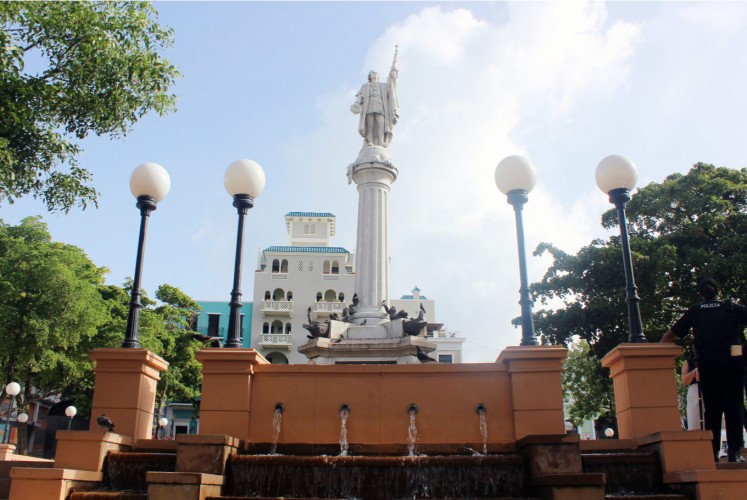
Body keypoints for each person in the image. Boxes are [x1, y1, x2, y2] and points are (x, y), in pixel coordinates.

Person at [661, 278, 747, 462]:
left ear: (701, 294)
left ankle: (713, 452)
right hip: (733, 363)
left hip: (707, 365)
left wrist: (656, 352)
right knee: (734, 407)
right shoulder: (730, 307)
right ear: (717, 291)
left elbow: (670, 335)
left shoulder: (695, 311)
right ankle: (734, 452)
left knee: (712, 409)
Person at [351, 48, 399, 147]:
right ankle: (370, 141)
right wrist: (357, 103)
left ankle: (381, 141)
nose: (375, 74)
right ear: (370, 76)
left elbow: (390, 85)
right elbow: (360, 96)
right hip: (369, 105)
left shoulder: (382, 86)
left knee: (381, 123)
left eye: (376, 73)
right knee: (370, 124)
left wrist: (393, 74)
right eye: (373, 73)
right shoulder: (365, 86)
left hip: (380, 104)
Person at [681, 346, 702, 431]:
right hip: (694, 392)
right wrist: (695, 370)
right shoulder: (688, 362)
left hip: (708, 390)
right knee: (694, 422)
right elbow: (685, 381)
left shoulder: (711, 360)